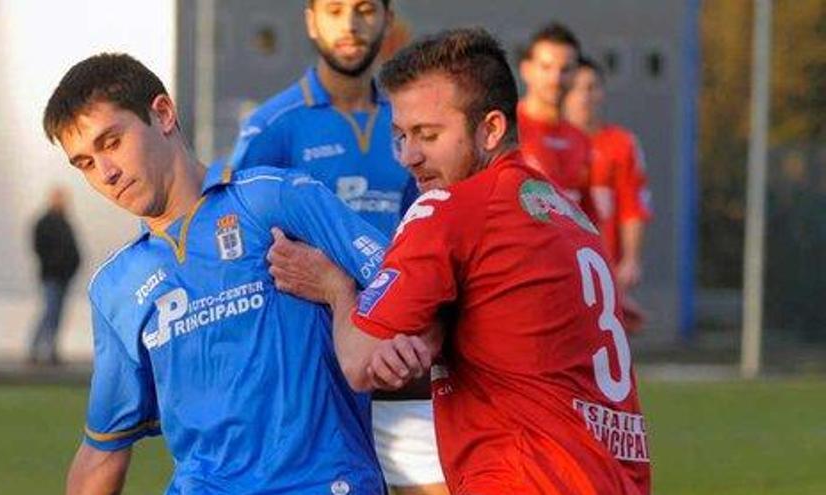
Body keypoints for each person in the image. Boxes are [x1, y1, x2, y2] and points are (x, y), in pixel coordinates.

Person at [268, 28, 651, 494]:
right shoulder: (565, 213)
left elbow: (358, 360)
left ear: (490, 128)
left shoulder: (447, 209)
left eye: (428, 135)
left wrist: (335, 288)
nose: (409, 157)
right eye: (400, 136)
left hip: (524, 477)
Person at [43, 52, 401, 494]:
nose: (106, 173)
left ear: (163, 113)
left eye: (111, 143)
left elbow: (407, 289)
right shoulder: (116, 287)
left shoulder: (275, 199)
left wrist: (338, 289)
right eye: (85, 164)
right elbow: (102, 451)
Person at [229, 1, 446, 493]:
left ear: (387, 21)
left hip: (400, 364)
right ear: (311, 21)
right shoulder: (273, 125)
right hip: (315, 385)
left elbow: (433, 229)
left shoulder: (408, 121)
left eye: (365, 9)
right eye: (334, 10)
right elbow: (237, 247)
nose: (349, 25)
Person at [563, 56, 654, 331]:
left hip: (602, 264)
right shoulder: (542, 143)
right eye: (576, 87)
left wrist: (631, 259)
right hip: (557, 264)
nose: (583, 96)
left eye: (591, 87)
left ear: (601, 93)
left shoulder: (620, 144)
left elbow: (632, 206)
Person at [517, 22, 595, 219]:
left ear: (577, 74)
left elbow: (589, 218)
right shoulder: (504, 129)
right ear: (526, 70)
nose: (556, 78)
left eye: (565, 69)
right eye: (546, 67)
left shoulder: (580, 139)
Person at [29, 186, 82, 365]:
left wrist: (73, 267)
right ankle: (35, 349)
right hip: (51, 276)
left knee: (57, 315)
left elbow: (73, 249)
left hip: (64, 276)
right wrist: (54, 264)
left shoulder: (65, 222)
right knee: (49, 313)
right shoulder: (44, 222)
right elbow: (40, 248)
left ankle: (51, 350)